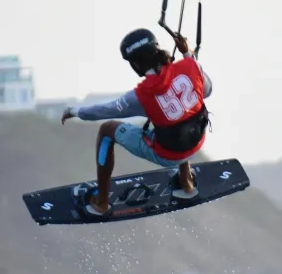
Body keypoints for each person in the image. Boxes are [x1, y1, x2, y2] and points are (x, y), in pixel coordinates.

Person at [61, 27, 213, 217]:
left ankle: (101, 202)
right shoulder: (190, 66)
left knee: (107, 130)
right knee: (181, 115)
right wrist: (186, 53)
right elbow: (207, 90)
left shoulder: (142, 95)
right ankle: (186, 182)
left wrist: (75, 111)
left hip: (169, 155)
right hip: (197, 142)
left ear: (136, 64)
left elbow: (106, 110)